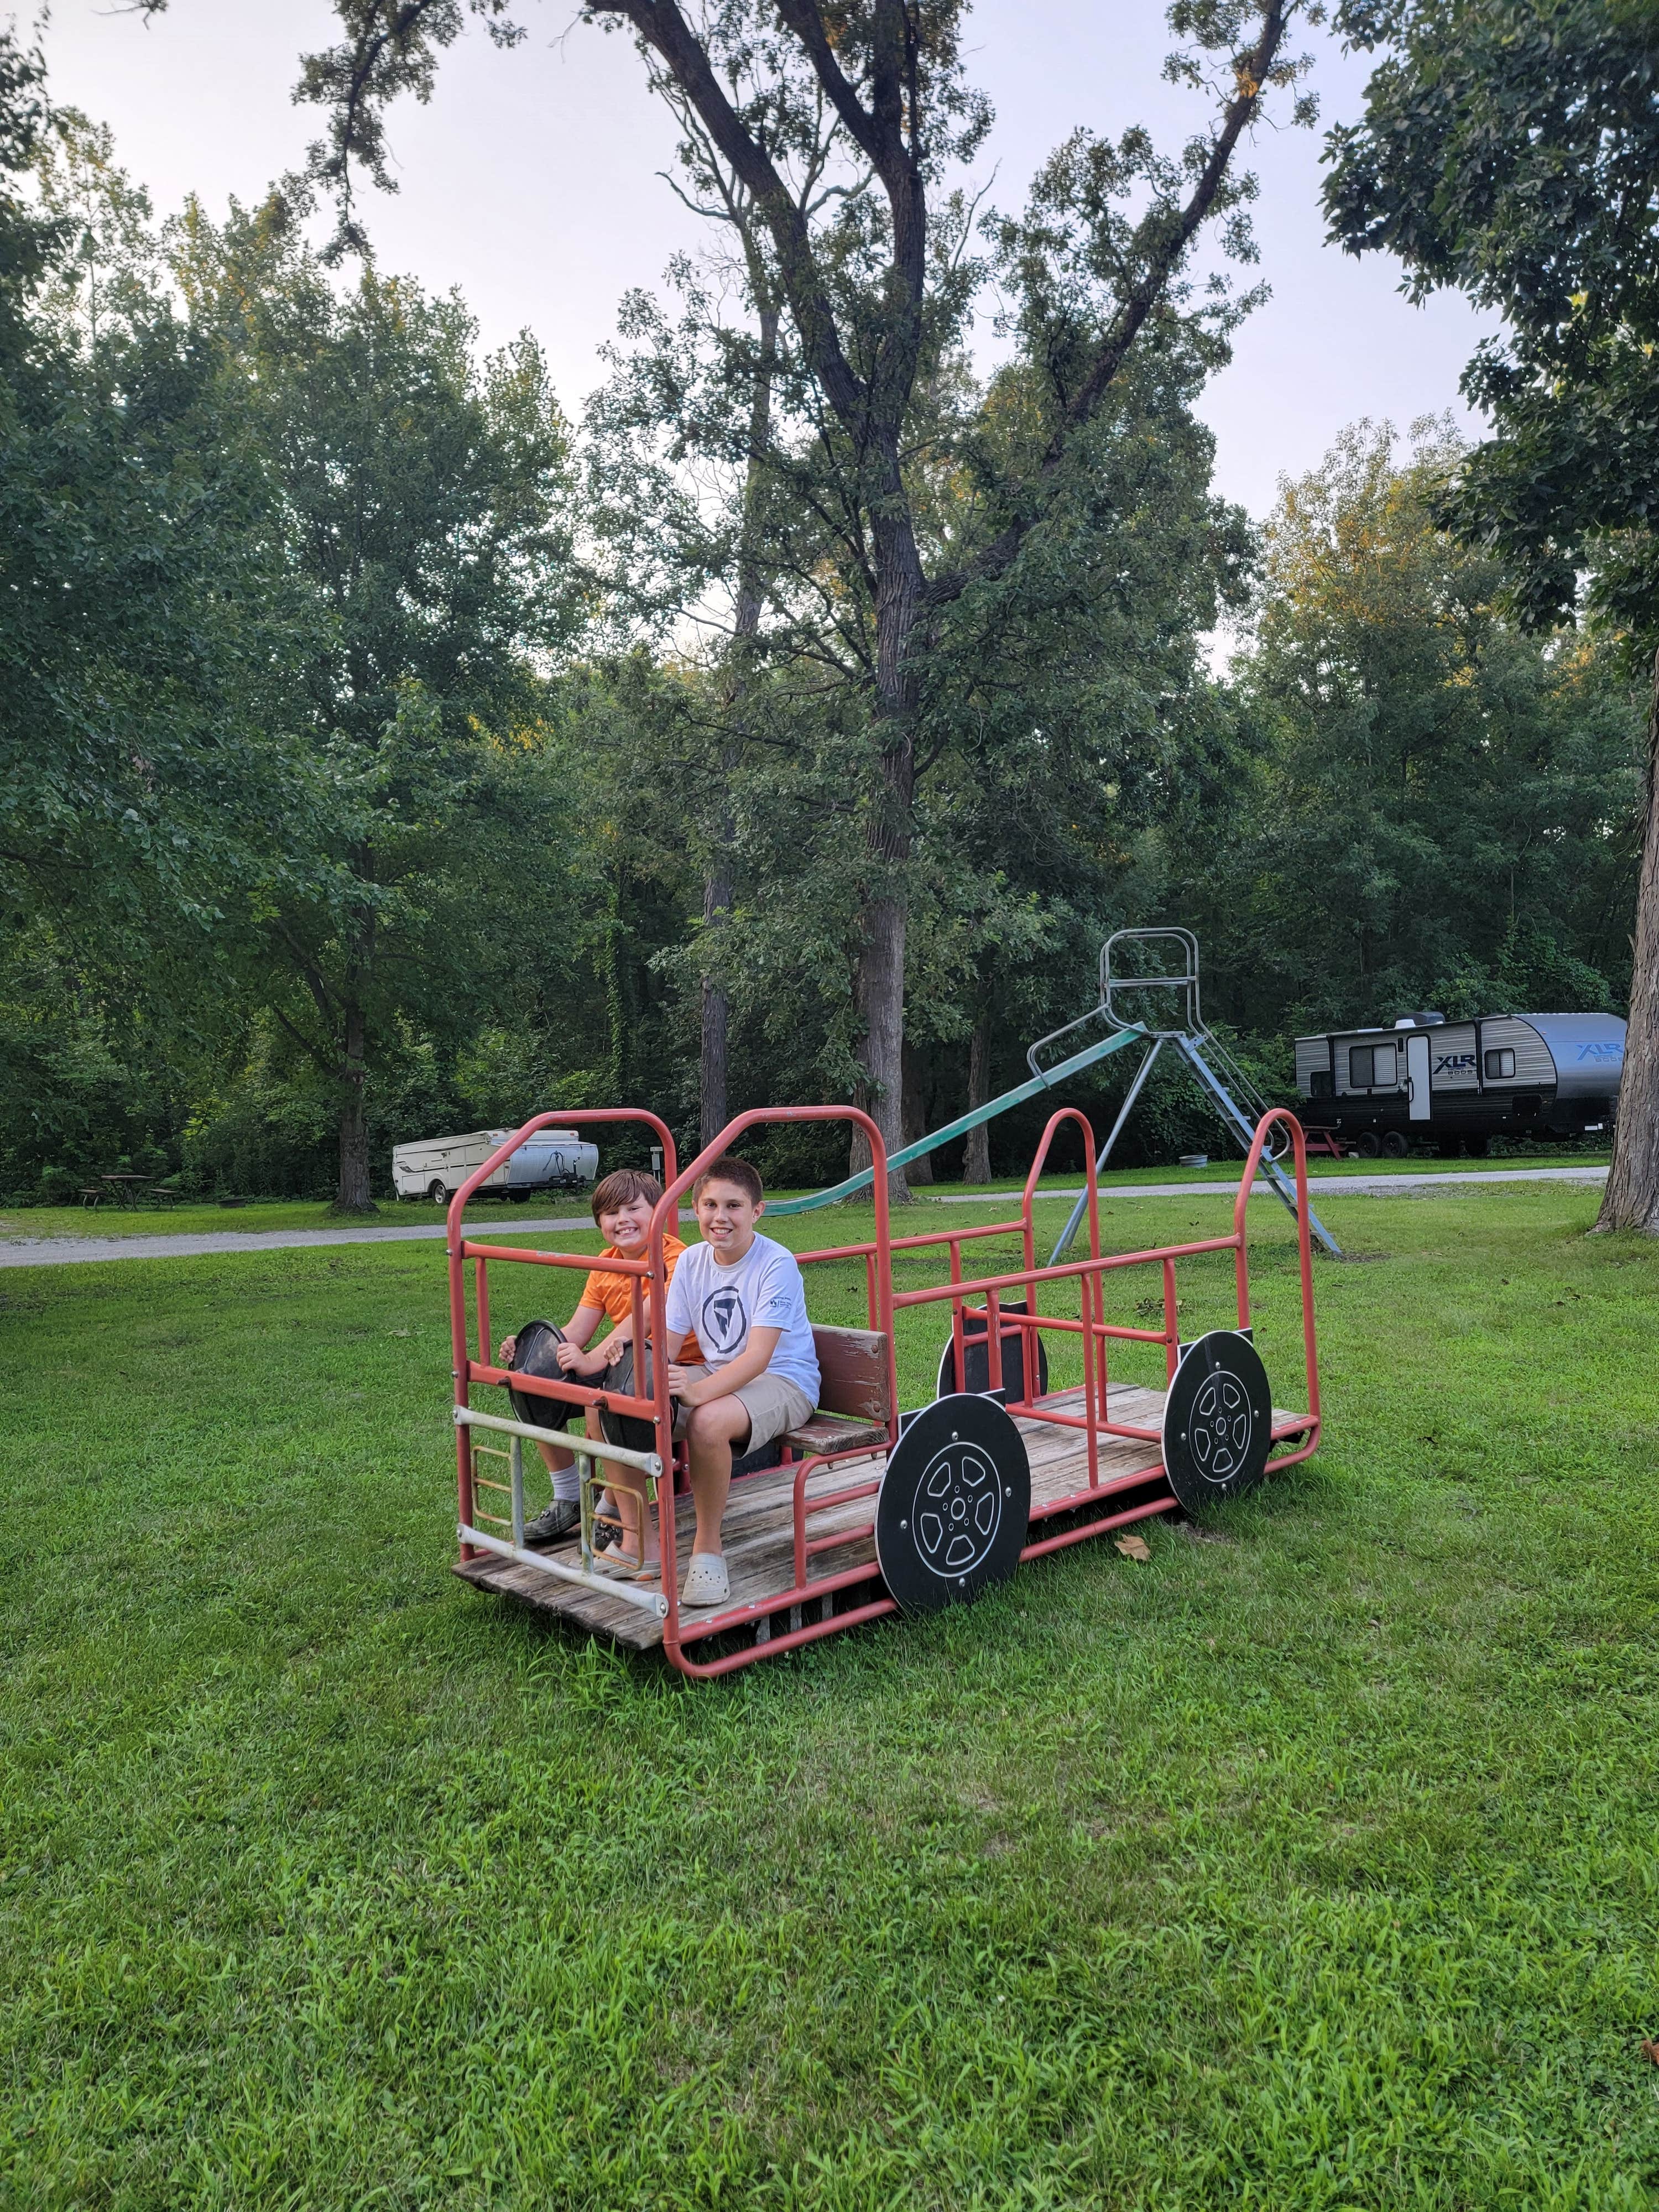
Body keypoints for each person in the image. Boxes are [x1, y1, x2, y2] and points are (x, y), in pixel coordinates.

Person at [498, 1168, 699, 1562]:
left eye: (634, 1209)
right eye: (610, 1213)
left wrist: (589, 1361)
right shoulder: (605, 1264)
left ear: (658, 1212)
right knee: (533, 1377)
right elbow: (577, 1329)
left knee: (602, 1402)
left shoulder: (679, 1259)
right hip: (620, 1362)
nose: (622, 1219)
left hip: (678, 1366)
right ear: (599, 1223)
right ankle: (570, 1496)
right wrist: (529, 1350)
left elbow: (643, 1318)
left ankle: (612, 1508)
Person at [664, 1155, 820, 1609]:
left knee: (707, 1422)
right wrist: (636, 1367)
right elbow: (668, 1344)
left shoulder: (777, 1263)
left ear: (757, 1211)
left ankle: (707, 1550)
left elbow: (757, 1358)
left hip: (784, 1381)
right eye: (710, 1205)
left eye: (733, 1206)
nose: (720, 1218)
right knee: (627, 1400)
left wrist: (694, 1393)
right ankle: (637, 1532)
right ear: (695, 1209)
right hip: (720, 1374)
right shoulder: (691, 1262)